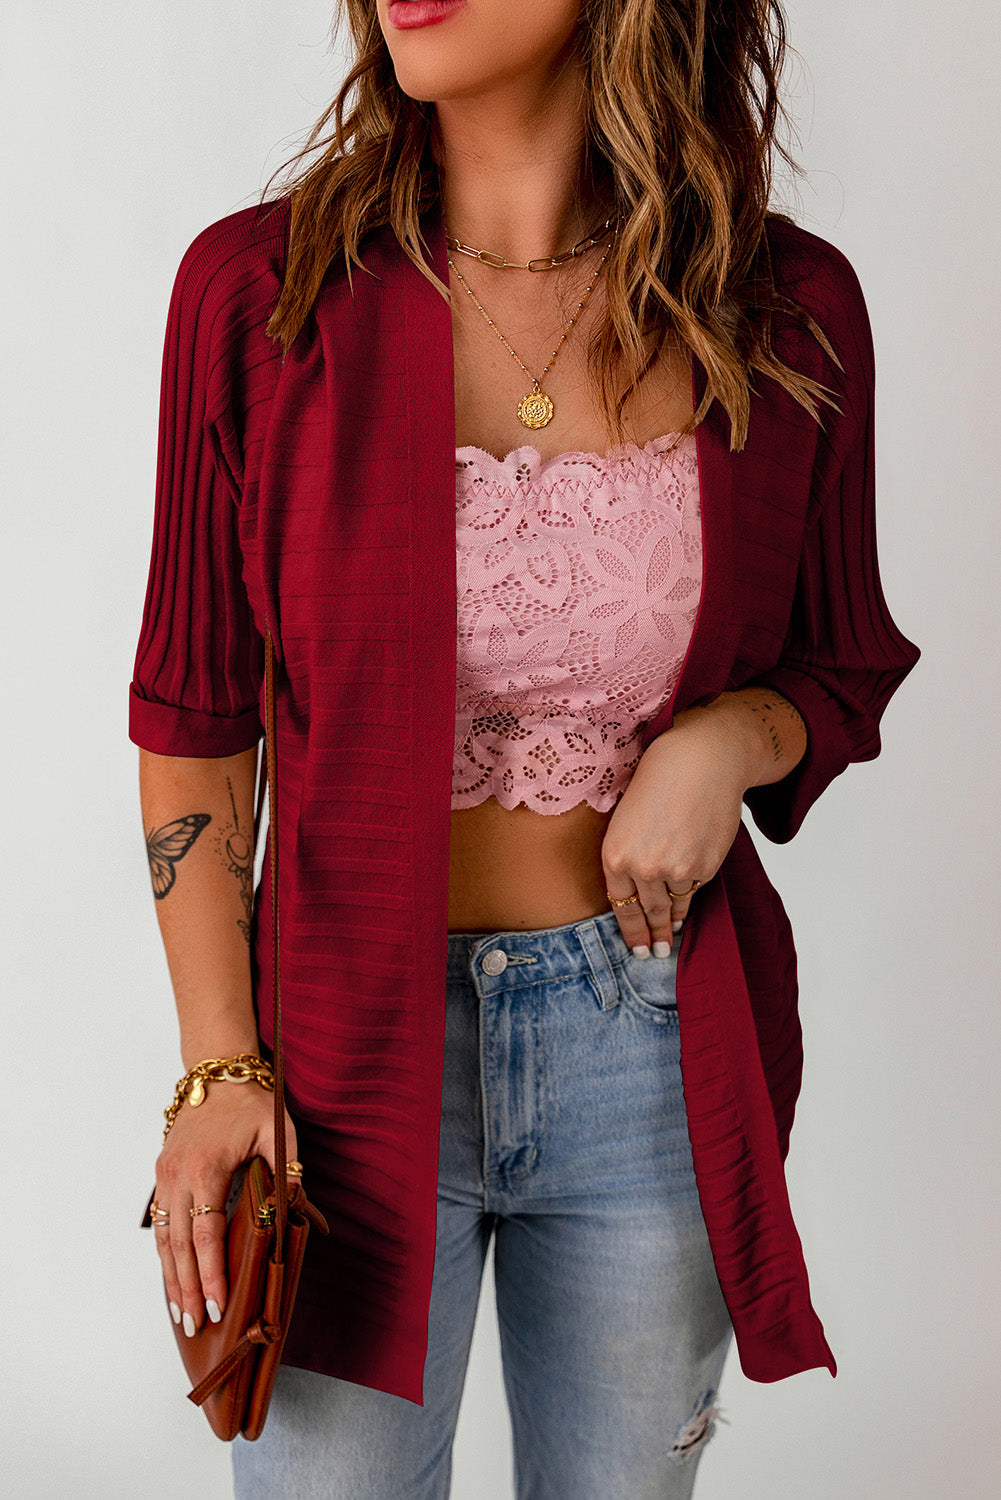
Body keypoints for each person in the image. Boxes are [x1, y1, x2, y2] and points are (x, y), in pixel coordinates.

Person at [130, 1, 919, 1494]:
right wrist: (218, 1065)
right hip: (340, 1075)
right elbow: (193, 718)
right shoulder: (261, 295)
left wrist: (727, 742)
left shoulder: (784, 311)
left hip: (652, 1044)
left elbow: (842, 662)